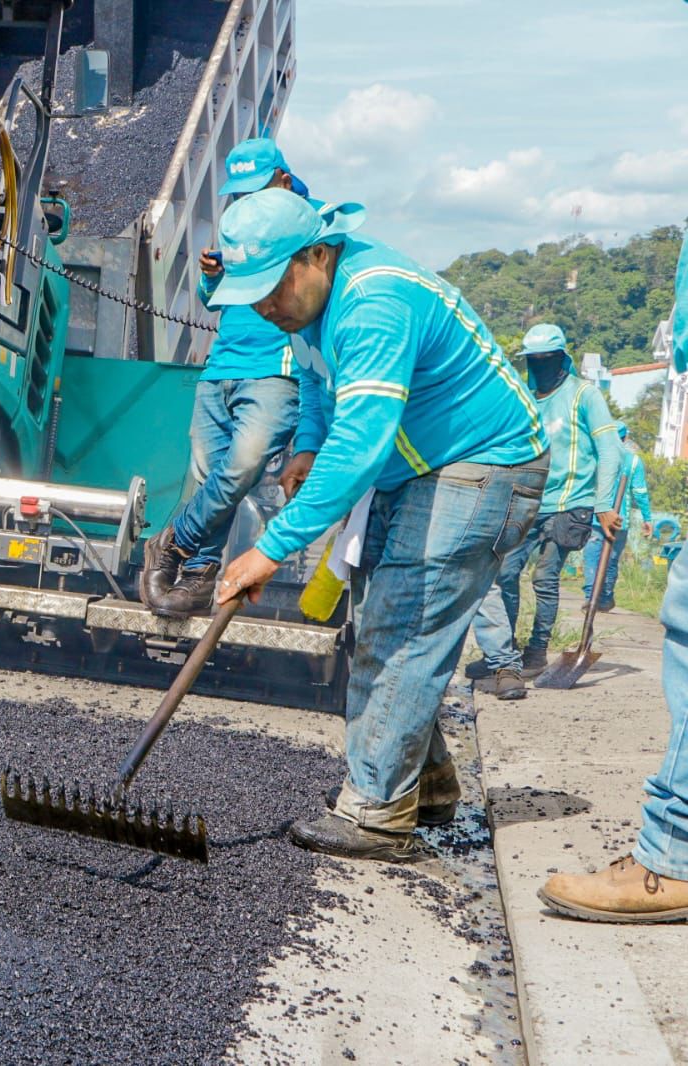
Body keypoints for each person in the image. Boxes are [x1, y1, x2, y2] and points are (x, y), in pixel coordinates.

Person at [207, 189, 549, 862]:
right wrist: (305, 443)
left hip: (481, 467)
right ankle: (424, 783)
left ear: (313, 256)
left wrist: (270, 548)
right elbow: (316, 383)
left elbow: (360, 442)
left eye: (269, 288)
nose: (262, 306)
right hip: (416, 470)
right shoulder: (308, 311)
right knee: (376, 627)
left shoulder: (372, 303)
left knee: (399, 631)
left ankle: (374, 814)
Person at [536, 241, 688, 923]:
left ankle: (672, 858)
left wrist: (610, 508)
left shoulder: (596, 408)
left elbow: (617, 472)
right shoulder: (542, 398)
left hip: (589, 512)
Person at [142, 137, 310, 618]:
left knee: (242, 466)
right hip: (223, 367)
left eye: (256, 191)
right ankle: (199, 576)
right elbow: (216, 301)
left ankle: (173, 542)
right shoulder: (242, 225)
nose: (245, 202)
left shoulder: (308, 225)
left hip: (273, 369)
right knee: (208, 474)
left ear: (282, 180)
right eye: (239, 194)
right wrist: (210, 277)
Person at [464, 324, 623, 700]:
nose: (539, 366)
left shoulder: (584, 395)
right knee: (503, 572)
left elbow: (610, 451)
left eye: (546, 360)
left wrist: (603, 505)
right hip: (529, 501)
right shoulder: (526, 396)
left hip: (573, 504)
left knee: (545, 578)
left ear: (562, 358)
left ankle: (537, 651)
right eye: (532, 361)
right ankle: (506, 654)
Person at [581, 423, 652, 612]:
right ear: (625, 438)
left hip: (595, 518)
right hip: (620, 520)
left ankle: (590, 598)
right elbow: (640, 492)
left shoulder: (596, 457)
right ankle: (604, 598)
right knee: (611, 560)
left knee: (591, 558)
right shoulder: (633, 461)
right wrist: (647, 518)